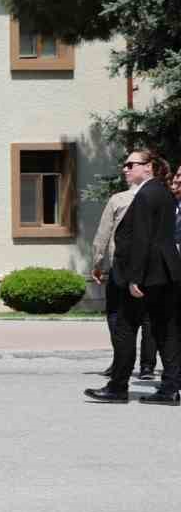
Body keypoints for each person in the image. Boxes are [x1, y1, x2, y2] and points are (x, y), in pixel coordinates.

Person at [88, 149, 181, 403]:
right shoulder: (164, 193)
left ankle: (118, 387)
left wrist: (134, 278)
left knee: (125, 329)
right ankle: (171, 388)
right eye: (125, 165)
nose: (125, 169)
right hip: (167, 271)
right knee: (166, 330)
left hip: (145, 275)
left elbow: (141, 240)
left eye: (131, 164)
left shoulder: (144, 196)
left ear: (148, 167)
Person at [91, 179, 158, 382]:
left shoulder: (118, 199)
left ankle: (120, 361)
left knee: (116, 315)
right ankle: (147, 366)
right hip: (150, 268)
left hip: (120, 267)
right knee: (148, 318)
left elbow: (103, 233)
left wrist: (97, 263)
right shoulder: (160, 198)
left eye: (130, 165)